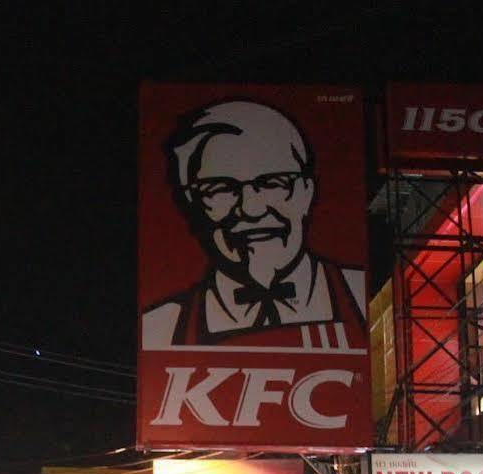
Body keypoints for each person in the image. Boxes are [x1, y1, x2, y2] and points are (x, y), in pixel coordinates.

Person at [141, 98, 366, 349]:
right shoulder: (161, 327)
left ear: (307, 191)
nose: (251, 208)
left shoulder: (361, 299)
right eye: (221, 189)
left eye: (273, 183)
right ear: (192, 204)